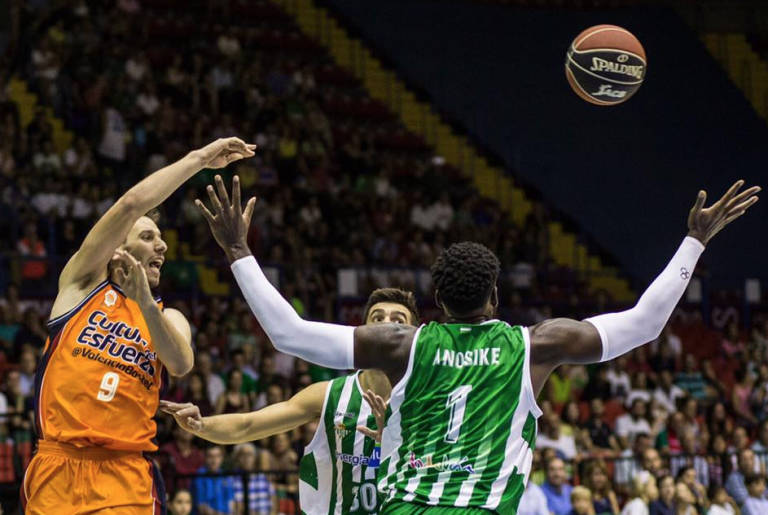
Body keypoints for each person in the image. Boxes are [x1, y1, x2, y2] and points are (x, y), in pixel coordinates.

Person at [198, 175, 759, 513]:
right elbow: (646, 323)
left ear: (436, 299)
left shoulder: (402, 345)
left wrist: (238, 250)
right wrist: (694, 240)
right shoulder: (537, 344)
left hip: (405, 508)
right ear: (495, 295)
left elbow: (287, 334)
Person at [22, 138, 255, 514]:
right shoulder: (80, 287)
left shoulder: (168, 317)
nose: (161, 247)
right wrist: (198, 160)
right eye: (148, 237)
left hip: (126, 473)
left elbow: (180, 364)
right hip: (56, 467)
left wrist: (145, 302)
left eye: (162, 240)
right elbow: (131, 204)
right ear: (118, 249)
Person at [162, 288, 419, 514]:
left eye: (398, 320)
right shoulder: (329, 395)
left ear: (415, 337)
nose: (386, 325)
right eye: (377, 318)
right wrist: (201, 425)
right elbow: (249, 425)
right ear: (360, 334)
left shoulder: (428, 397)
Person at [231, 442, 276, 515]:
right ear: (237, 458)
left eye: (249, 455)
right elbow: (237, 507)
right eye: (243, 455)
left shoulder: (262, 477)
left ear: (255, 458)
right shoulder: (232, 479)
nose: (246, 458)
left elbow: (273, 500)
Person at [193, 445, 236, 515]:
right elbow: (201, 507)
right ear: (205, 458)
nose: (214, 460)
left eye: (217, 456)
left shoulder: (225, 476)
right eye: (210, 456)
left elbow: (231, 503)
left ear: (222, 458)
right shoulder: (199, 476)